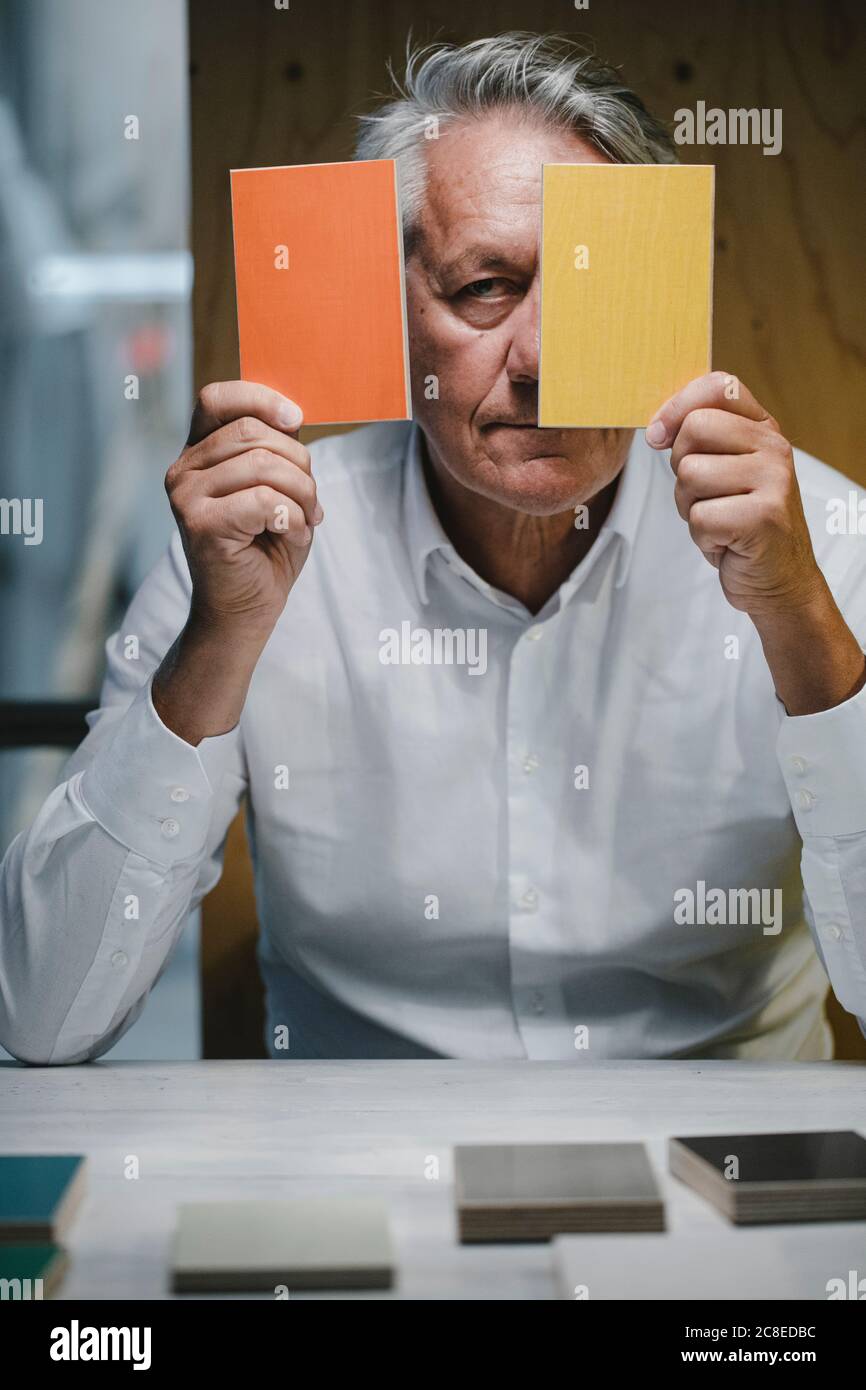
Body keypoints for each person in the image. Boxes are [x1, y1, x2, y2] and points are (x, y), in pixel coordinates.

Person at [3, 33, 866, 1066]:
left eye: (592, 285)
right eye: (484, 286)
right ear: (389, 308)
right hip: (357, 1181)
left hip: (718, 1180)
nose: (542, 359)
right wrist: (220, 639)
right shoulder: (252, 553)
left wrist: (801, 628)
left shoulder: (821, 545)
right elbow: (41, 1019)